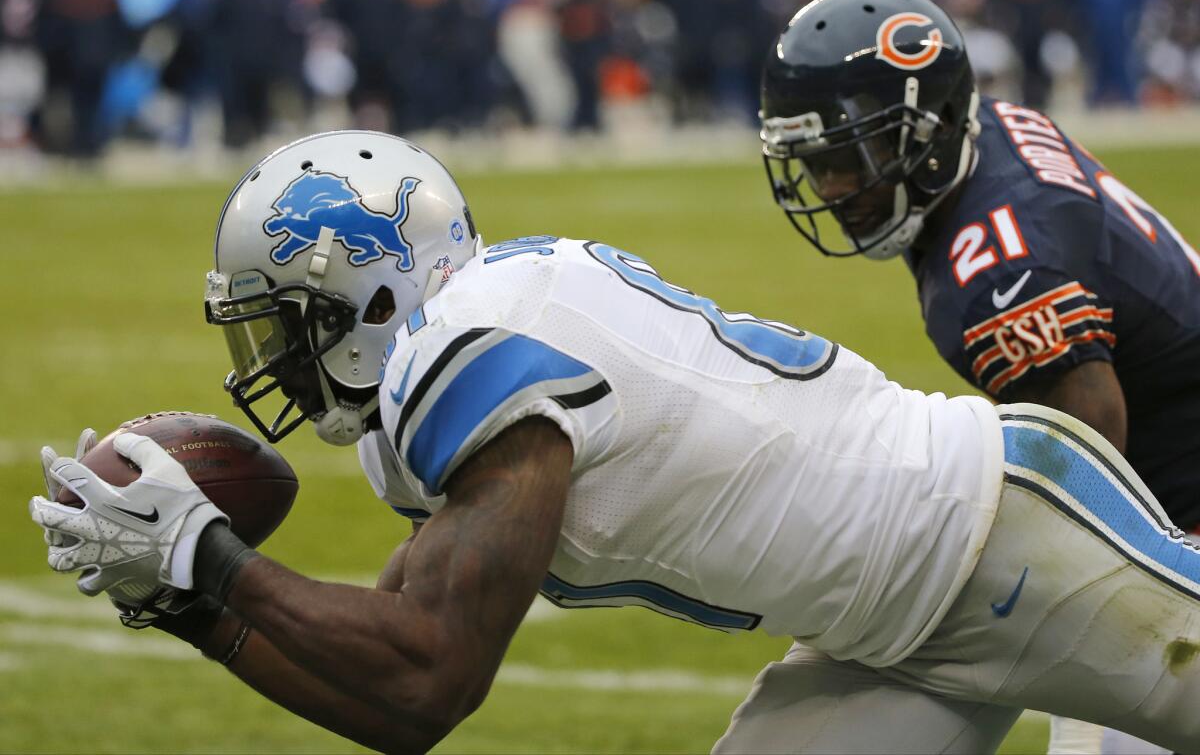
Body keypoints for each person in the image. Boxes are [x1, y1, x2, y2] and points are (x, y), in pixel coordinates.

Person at [29, 130, 1200, 754]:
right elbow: (389, 701)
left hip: (1012, 538)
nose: (271, 362)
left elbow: (432, 673)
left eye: (286, 321)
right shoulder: (451, 375)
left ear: (374, 293)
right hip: (882, 631)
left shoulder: (469, 343)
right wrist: (189, 596)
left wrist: (211, 558)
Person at [758, 0, 1200, 754]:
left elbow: (1091, 449)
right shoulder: (987, 132)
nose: (832, 190)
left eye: (849, 156)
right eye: (816, 163)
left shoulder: (999, 266)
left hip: (1174, 505)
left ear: (925, 127)